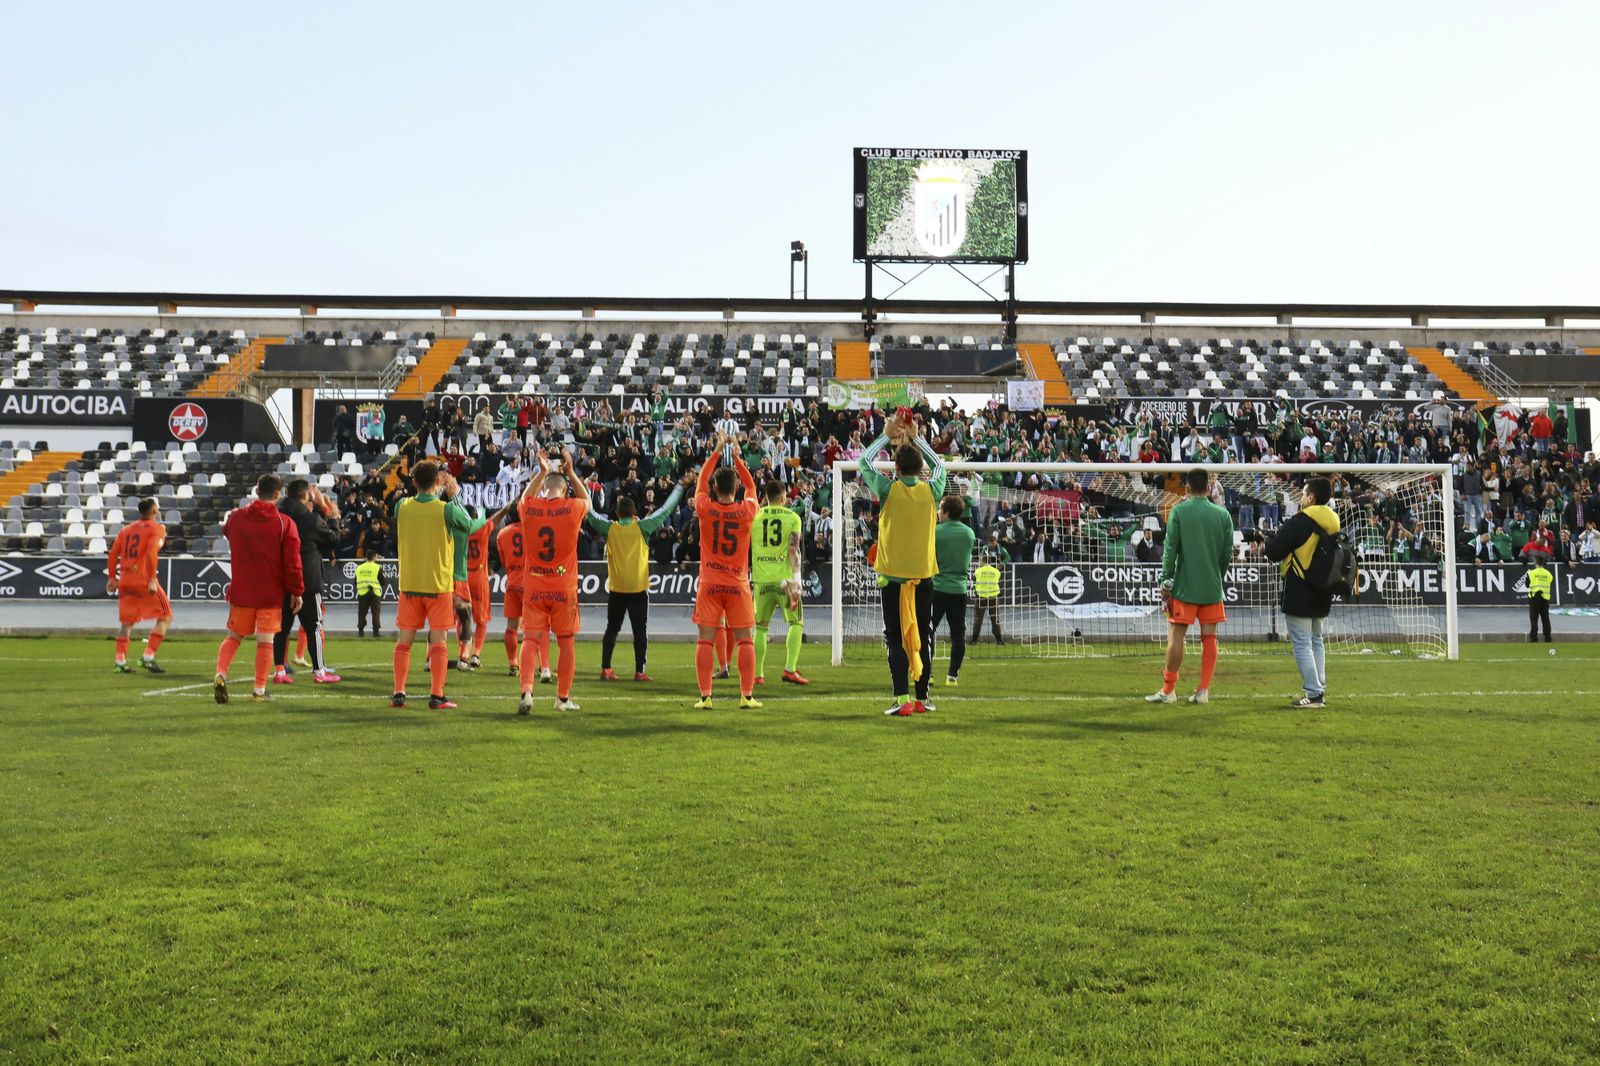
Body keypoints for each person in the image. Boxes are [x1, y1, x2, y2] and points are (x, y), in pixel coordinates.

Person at [859, 410, 946, 717]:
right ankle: (923, 697)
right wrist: (917, 436)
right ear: (919, 466)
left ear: (894, 466)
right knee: (924, 633)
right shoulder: (932, 490)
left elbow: (864, 462)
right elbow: (940, 465)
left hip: (893, 578)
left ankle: (901, 698)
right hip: (923, 578)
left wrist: (888, 433)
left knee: (895, 637)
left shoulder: (886, 489)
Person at [391, 461, 485, 710]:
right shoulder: (446, 510)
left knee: (404, 642)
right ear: (438, 483)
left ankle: (399, 692)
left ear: (413, 482)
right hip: (438, 586)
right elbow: (469, 523)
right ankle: (437, 695)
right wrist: (455, 496)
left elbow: (398, 510)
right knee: (439, 641)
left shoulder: (402, 507)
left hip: (410, 584)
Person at [586, 473, 686, 682]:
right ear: (634, 514)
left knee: (611, 629)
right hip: (638, 590)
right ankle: (639, 671)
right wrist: (679, 487)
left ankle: (606, 668)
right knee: (640, 631)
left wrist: (581, 487)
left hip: (616, 589)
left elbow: (589, 513)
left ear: (615, 512)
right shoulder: (642, 527)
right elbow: (665, 510)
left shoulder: (609, 528)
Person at [213, 475, 304, 704]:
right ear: (277, 494)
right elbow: (292, 562)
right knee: (266, 641)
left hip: (242, 590)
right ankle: (259, 690)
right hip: (270, 594)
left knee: (233, 636)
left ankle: (221, 673)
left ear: (256, 490)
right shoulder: (284, 523)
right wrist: (297, 591)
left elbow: (227, 531)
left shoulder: (236, 518)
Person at [1147, 467, 1234, 705]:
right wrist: (1217, 574)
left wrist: (1166, 580)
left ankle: (1168, 690)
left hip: (1184, 586)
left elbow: (1170, 549)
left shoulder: (1179, 511)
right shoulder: (1223, 515)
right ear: (1208, 488)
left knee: (1176, 635)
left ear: (1186, 488)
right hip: (1211, 586)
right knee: (1210, 638)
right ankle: (1203, 691)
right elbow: (1228, 553)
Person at [691, 433, 762, 709]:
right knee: (745, 640)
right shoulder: (746, 511)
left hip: (709, 583)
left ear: (714, 488)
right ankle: (746, 696)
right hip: (738, 585)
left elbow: (699, 482)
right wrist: (738, 458)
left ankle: (706, 697)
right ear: (736, 488)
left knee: (705, 641)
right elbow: (753, 487)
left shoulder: (705, 508)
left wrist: (717, 451)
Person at [516, 448, 590, 714]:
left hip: (535, 586)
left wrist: (542, 471)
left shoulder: (531, 507)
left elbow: (523, 499)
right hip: (563, 588)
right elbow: (587, 499)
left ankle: (527, 691)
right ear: (564, 491)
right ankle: (562, 698)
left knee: (531, 640)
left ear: (544, 488)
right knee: (566, 642)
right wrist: (570, 470)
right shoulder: (572, 507)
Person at [1265, 476, 1340, 708]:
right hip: (1323, 589)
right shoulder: (1334, 520)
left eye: (1304, 493)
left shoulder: (1300, 521)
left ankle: (1314, 693)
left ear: (1311, 497)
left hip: (1300, 588)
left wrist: (1269, 540)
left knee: (1302, 643)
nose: (1301, 497)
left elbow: (1275, 551)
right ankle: (1319, 687)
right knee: (1316, 640)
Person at [271, 480, 341, 685]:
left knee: (281, 629)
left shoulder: (278, 515)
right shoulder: (309, 520)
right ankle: (319, 670)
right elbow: (334, 539)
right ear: (305, 497)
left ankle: (279, 671)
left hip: (281, 581)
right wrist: (331, 514)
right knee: (314, 626)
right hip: (307, 582)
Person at [751, 478, 809, 687]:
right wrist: (797, 580)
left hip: (761, 579)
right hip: (785, 580)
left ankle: (757, 674)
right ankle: (790, 670)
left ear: (766, 497)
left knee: (760, 628)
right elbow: (793, 550)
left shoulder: (755, 516)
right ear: (784, 498)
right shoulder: (793, 517)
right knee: (795, 622)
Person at [106, 497, 173, 674]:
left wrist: (112, 577)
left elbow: (113, 554)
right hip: (143, 579)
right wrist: (151, 578)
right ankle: (148, 656)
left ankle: (119, 662)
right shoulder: (157, 529)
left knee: (127, 623)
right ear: (154, 511)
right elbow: (151, 552)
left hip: (126, 580)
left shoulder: (127, 530)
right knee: (165, 616)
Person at [931, 495, 976, 686]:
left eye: (940, 510)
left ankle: (927, 674)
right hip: (959, 590)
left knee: (927, 631)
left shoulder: (935, 532)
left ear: (947, 512)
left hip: (937, 588)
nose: (939, 513)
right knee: (958, 634)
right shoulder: (969, 534)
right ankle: (952, 676)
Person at [494, 506, 528, 676]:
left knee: (511, 627)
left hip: (512, 582)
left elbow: (503, 560)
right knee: (535, 628)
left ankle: (513, 664)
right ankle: (541, 666)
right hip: (531, 583)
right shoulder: (531, 530)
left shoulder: (502, 534)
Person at [462, 506, 496, 669]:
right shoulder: (483, 529)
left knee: (463, 617)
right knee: (481, 620)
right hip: (480, 576)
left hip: (463, 577)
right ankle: (476, 654)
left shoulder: (460, 533)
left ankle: (463, 653)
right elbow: (494, 519)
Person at [970, 553, 1004, 645]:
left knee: (978, 618)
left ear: (984, 561)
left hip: (981, 596)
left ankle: (974, 640)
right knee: (995, 618)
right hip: (993, 596)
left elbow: (974, 580)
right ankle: (999, 639)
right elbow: (997, 581)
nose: (979, 562)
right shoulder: (996, 571)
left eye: (981, 560)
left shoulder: (978, 571)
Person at [355, 548, 383, 638]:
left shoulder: (359, 568)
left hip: (362, 593)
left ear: (366, 557)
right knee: (375, 612)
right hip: (374, 593)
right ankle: (376, 633)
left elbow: (355, 582)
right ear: (374, 557)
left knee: (362, 613)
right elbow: (383, 581)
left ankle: (360, 632)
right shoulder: (377, 567)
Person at [1527, 551, 1553, 643]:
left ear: (1535, 562)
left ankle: (1534, 637)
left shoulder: (1531, 573)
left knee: (1534, 618)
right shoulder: (1548, 574)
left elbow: (1527, 584)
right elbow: (1550, 583)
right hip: (1545, 598)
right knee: (1545, 618)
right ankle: (1548, 637)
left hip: (1534, 597)